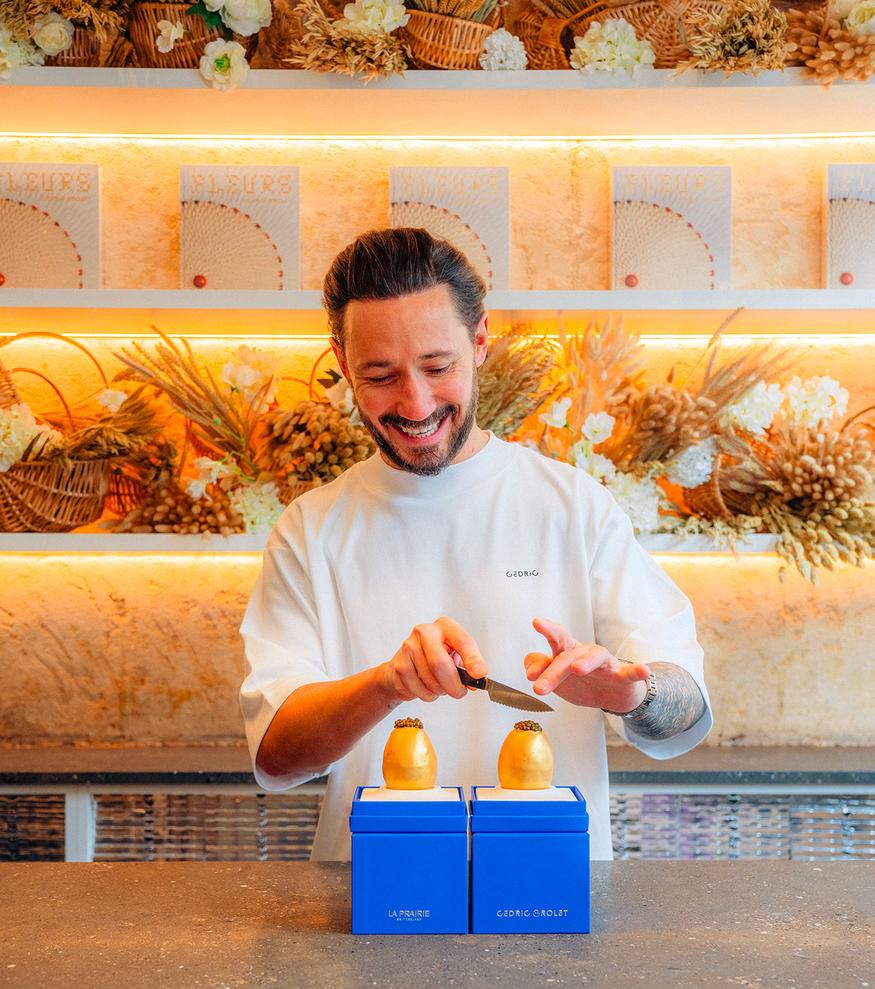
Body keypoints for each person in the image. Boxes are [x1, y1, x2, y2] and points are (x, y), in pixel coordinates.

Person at [240, 227, 712, 861]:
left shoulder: (571, 506)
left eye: (439, 367)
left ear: (481, 340)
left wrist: (631, 692)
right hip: (376, 899)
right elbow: (276, 758)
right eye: (380, 375)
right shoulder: (311, 529)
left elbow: (683, 714)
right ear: (343, 362)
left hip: (549, 893)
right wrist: (386, 685)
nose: (416, 402)